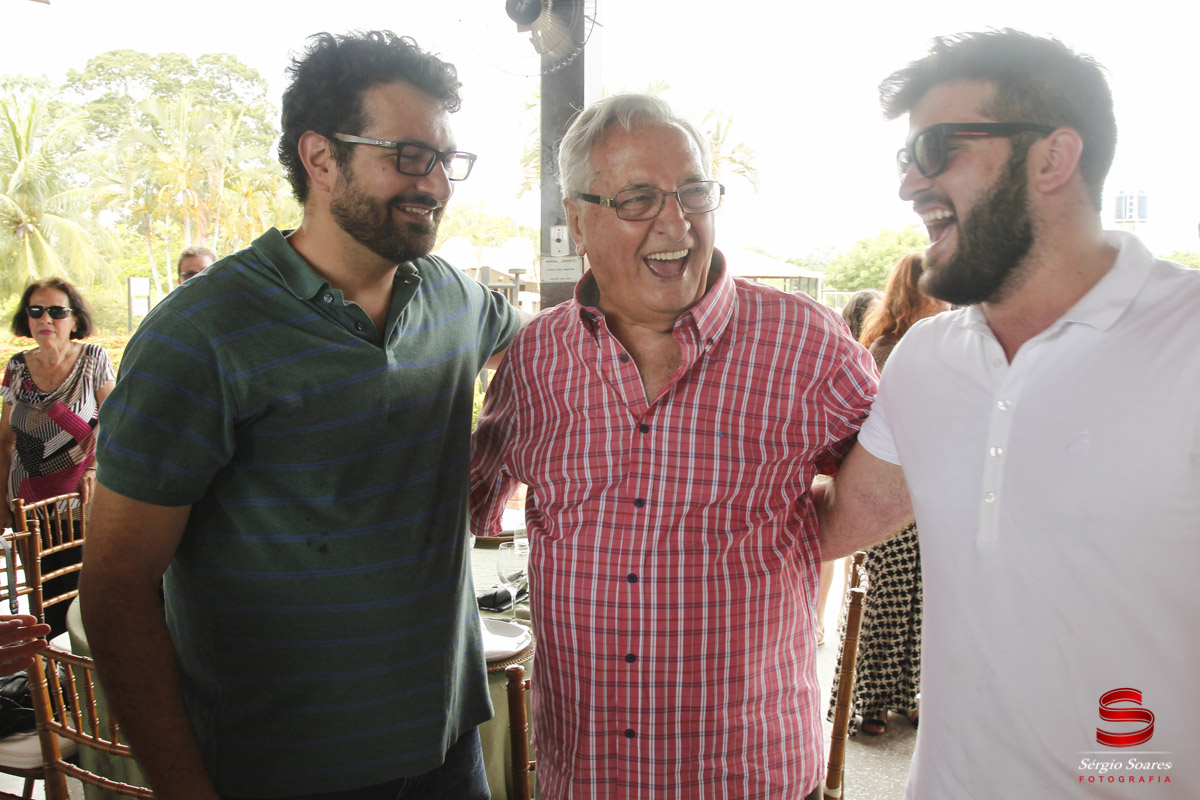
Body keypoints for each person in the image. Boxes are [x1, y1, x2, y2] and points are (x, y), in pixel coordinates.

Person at [79, 31, 521, 800]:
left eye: (446, 160)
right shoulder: (202, 334)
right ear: (320, 158)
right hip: (278, 769)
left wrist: (501, 454)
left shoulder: (454, 299)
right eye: (409, 156)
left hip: (447, 749)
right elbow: (115, 590)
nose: (438, 184)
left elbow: (559, 355)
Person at [470, 93, 895, 799]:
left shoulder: (806, 342)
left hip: (746, 771)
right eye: (637, 199)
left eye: (693, 191)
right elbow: (470, 500)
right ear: (577, 220)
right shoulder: (534, 359)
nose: (676, 221)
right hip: (588, 773)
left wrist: (788, 533)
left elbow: (889, 481)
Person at [820, 29, 1200, 797]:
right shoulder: (925, 359)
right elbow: (838, 520)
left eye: (936, 148)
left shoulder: (1186, 340)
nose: (908, 185)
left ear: (1054, 158)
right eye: (905, 158)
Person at [825, 254, 945, 736]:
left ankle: (905, 694)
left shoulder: (926, 343)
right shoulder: (890, 347)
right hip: (890, 485)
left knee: (916, 604)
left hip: (924, 490)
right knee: (885, 604)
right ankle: (865, 705)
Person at [0, 278, 115, 638]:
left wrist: (96, 467)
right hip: (27, 500)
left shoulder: (93, 359)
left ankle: (89, 676)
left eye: (56, 311)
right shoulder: (17, 367)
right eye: (36, 311)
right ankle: (56, 680)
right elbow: (4, 440)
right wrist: (1, 502)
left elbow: (115, 425)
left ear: (74, 319)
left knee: (86, 595)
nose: (45, 319)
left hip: (80, 500)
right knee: (43, 598)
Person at [814, 287, 882, 646]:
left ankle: (832, 617)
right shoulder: (856, 351)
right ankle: (824, 616)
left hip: (848, 462)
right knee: (831, 551)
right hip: (841, 463)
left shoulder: (857, 349)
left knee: (842, 554)